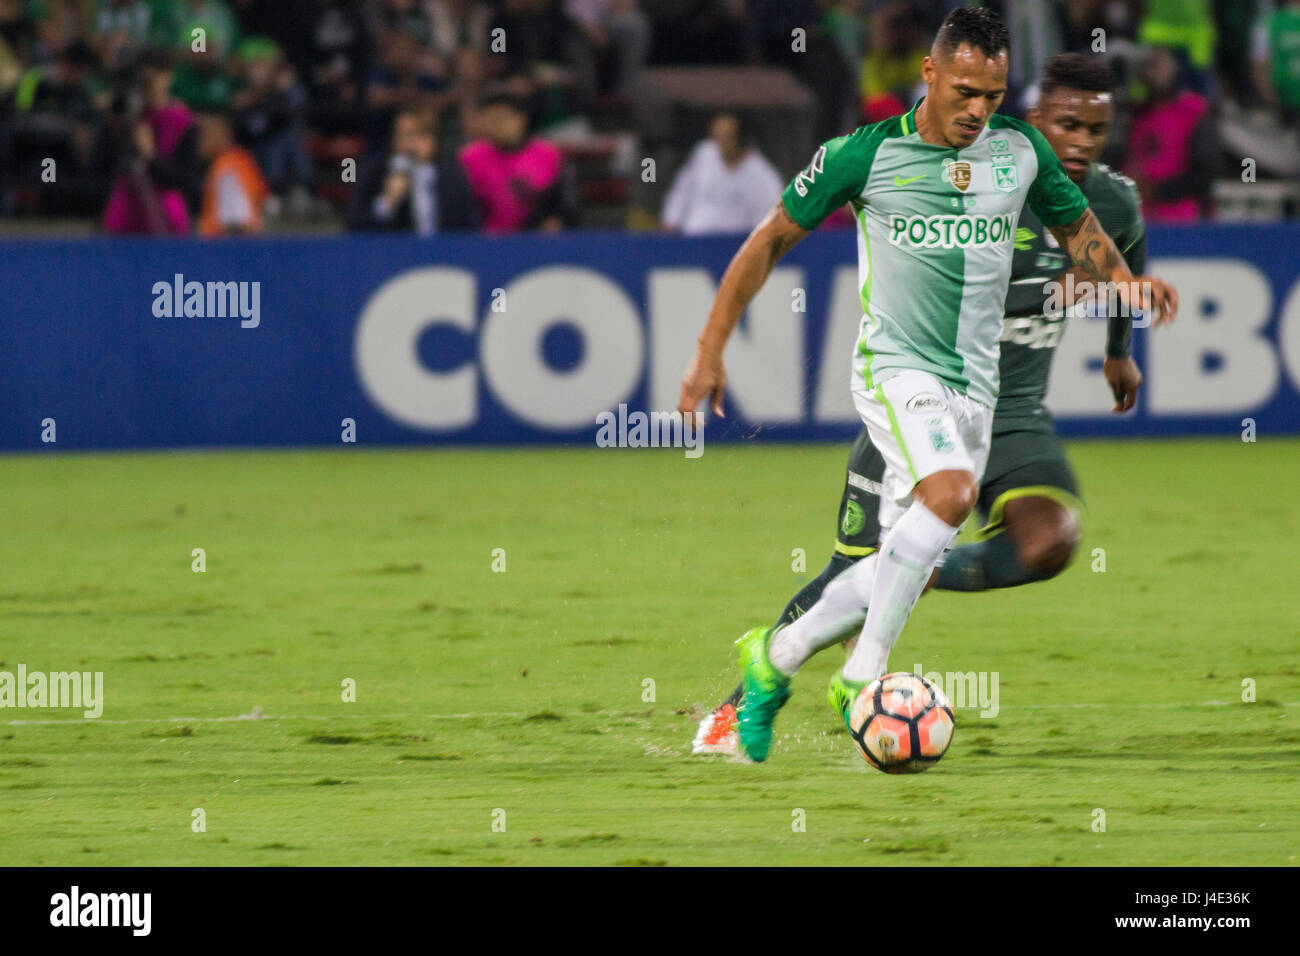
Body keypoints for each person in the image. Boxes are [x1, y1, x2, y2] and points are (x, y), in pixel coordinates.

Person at [675, 8, 1179, 763]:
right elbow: (769, 238)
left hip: (975, 391)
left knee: (907, 561)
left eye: (994, 95)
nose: (979, 109)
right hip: (897, 370)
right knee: (948, 498)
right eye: (966, 90)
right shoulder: (864, 155)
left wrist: (1124, 286)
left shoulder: (1020, 152)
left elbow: (1080, 233)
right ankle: (861, 676)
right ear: (932, 74)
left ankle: (771, 660)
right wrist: (710, 349)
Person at [346, 106, 478, 235]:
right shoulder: (375, 172)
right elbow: (354, 224)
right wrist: (387, 203)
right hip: (393, 253)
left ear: (433, 140)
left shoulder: (452, 175)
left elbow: (469, 225)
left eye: (417, 136)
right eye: (402, 136)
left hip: (444, 255)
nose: (409, 144)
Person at [1123, 45, 1218, 221]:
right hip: (1139, 220)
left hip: (1183, 220)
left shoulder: (1193, 111)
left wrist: (1159, 190)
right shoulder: (1134, 116)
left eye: (1157, 65)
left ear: (1175, 67)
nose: (1152, 73)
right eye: (1146, 66)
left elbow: (1205, 174)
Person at [459, 92, 578, 232]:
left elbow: (566, 200)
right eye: (489, 121)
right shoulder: (469, 158)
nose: (494, 127)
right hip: (486, 244)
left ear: (521, 119)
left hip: (536, 243)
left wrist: (557, 220)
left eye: (499, 120)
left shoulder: (549, 155)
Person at [661, 112, 784, 236]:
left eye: (726, 138)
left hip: (732, 245)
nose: (719, 143)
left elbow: (770, 223)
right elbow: (682, 190)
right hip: (694, 238)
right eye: (716, 137)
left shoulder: (765, 179)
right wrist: (671, 220)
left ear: (742, 139)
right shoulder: (703, 154)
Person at [195, 109, 269, 236]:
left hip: (226, 243)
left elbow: (235, 218)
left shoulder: (228, 166)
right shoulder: (235, 160)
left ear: (221, 135)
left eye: (204, 136)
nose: (199, 142)